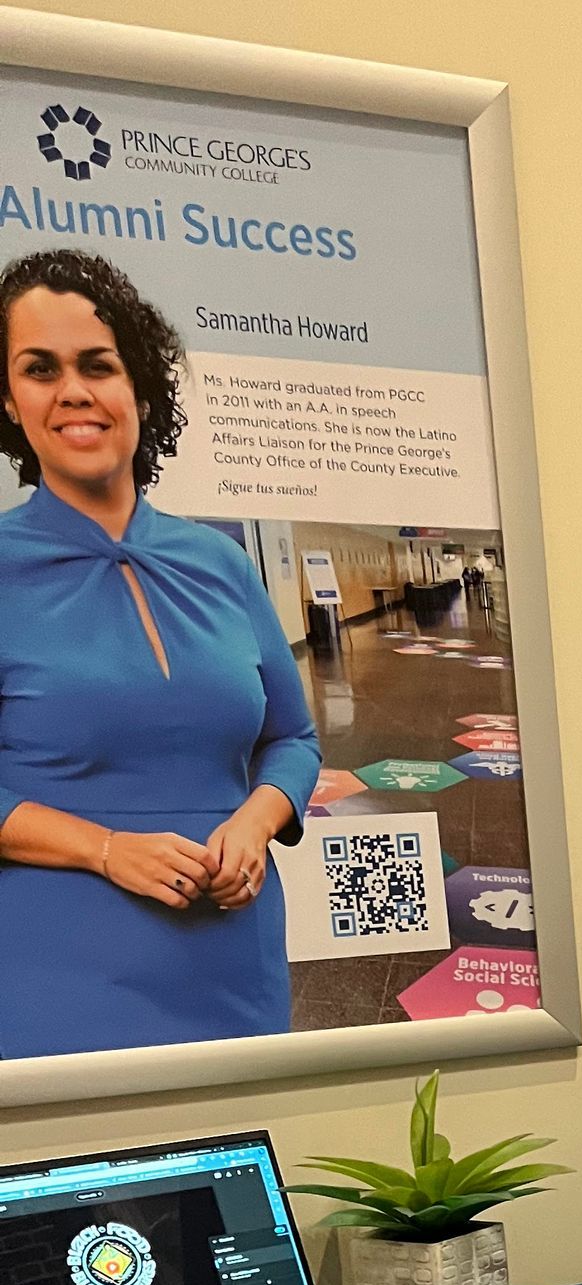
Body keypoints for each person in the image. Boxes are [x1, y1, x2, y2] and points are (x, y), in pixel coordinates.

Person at [0, 250, 320, 1056]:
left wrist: (256, 821)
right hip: (54, 976)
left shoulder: (219, 561)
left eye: (97, 366)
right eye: (40, 369)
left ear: (139, 387)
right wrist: (105, 850)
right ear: (8, 400)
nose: (74, 390)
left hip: (233, 966)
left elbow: (294, 740)